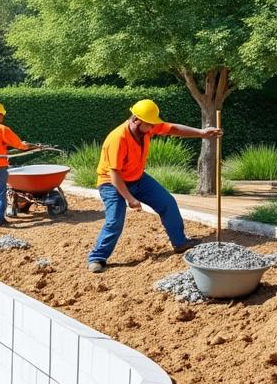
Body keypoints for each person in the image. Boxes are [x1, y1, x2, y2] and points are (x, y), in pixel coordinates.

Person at [86, 99, 221, 273]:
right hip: (111, 183)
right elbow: (114, 174)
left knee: (167, 203)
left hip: (138, 178)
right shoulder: (117, 138)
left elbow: (173, 129)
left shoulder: (146, 127)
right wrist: (130, 199)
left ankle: (180, 243)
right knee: (114, 220)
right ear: (136, 120)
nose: (152, 129)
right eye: (149, 125)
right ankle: (97, 257)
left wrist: (202, 133)